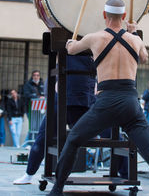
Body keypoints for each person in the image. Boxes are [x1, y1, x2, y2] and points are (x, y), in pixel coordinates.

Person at [48, 0, 149, 196]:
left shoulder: (95, 38)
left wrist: (69, 42)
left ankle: (57, 189)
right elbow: (144, 57)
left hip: (106, 102)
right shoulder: (135, 40)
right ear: (124, 16)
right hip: (130, 103)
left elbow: (72, 49)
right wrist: (133, 32)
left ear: (104, 15)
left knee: (74, 139)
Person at [13, 53, 96, 184]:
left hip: (84, 98)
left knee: (106, 134)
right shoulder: (66, 46)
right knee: (43, 137)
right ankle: (29, 174)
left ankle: (126, 175)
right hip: (62, 97)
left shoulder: (90, 44)